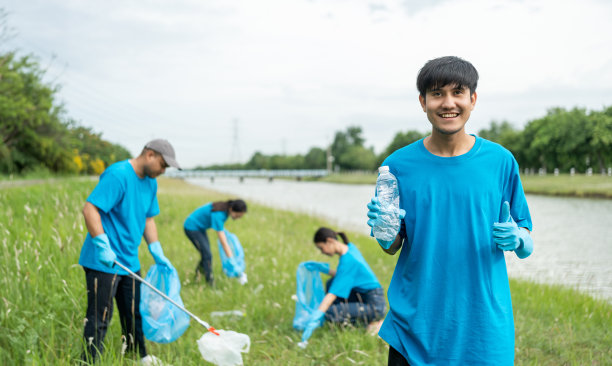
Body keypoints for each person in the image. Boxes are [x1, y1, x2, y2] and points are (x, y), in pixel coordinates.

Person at [366, 56, 534, 365]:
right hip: (415, 327)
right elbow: (391, 247)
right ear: (422, 101)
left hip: (483, 329)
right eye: (437, 93)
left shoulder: (500, 161)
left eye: (458, 92)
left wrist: (518, 238)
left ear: (473, 99)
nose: (448, 103)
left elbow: (526, 240)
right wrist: (382, 230)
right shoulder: (397, 166)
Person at [78, 139, 180, 364]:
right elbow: (90, 208)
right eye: (163, 165)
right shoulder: (118, 174)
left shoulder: (151, 182)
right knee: (100, 317)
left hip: (129, 261)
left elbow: (148, 217)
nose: (163, 171)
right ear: (150, 154)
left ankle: (138, 356)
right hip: (103, 262)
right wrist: (102, 245)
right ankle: (88, 361)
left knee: (134, 313)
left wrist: (156, 249)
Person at [301, 227, 386, 343]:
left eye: (321, 248)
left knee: (330, 312)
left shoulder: (348, 260)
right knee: (331, 282)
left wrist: (317, 315)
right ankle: (365, 320)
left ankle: (374, 322)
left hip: (375, 306)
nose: (323, 252)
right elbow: (345, 276)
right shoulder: (349, 248)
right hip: (367, 296)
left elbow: (332, 295)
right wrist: (325, 270)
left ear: (330, 241)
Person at [183, 199, 247, 285]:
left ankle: (198, 276)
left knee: (206, 254)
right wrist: (231, 260)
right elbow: (223, 243)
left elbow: (221, 230)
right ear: (232, 209)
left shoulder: (225, 209)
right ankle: (210, 283)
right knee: (207, 255)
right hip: (191, 227)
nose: (237, 218)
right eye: (237, 216)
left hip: (200, 229)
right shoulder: (219, 214)